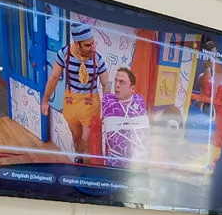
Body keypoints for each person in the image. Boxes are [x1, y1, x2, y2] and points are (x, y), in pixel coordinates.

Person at [40, 19, 109, 160]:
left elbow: (106, 85)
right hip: (71, 103)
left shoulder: (98, 60)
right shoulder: (64, 54)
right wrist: (45, 100)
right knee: (77, 138)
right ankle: (79, 160)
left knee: (87, 140)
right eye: (88, 45)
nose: (93, 48)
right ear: (77, 45)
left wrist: (107, 111)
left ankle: (89, 171)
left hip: (90, 105)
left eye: (93, 43)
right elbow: (54, 77)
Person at [99, 66, 150, 169]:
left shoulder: (139, 100)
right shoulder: (108, 100)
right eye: (116, 81)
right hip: (115, 160)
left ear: (132, 88)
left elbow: (143, 132)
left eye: (122, 82)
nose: (116, 85)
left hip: (139, 160)